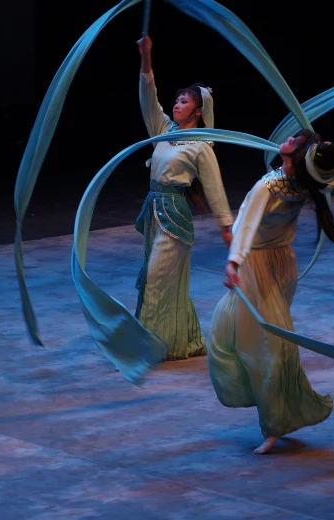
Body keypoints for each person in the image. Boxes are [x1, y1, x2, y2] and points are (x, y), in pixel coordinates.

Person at [208, 129, 334, 454]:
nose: (287, 140)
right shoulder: (304, 184)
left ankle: (276, 421)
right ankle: (271, 400)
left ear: (296, 156)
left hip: (259, 266)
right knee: (230, 333)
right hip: (280, 262)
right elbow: (327, 180)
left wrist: (234, 262)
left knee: (271, 346)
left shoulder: (268, 186)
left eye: (294, 141)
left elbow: (247, 225)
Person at [134, 34, 234, 360]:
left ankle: (143, 350)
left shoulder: (201, 145)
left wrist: (225, 225)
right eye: (176, 100)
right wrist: (146, 57)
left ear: (199, 110)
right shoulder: (164, 130)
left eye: (185, 101)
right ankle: (184, 342)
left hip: (174, 217)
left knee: (155, 281)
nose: (177, 104)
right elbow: (148, 96)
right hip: (153, 210)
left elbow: (214, 187)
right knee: (167, 284)